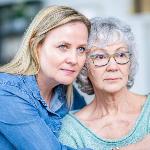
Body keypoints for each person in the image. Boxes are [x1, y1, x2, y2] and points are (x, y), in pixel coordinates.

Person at [0, 5, 92, 150]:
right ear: (36, 47)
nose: (74, 60)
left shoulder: (68, 94)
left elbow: (93, 132)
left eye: (81, 49)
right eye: (63, 46)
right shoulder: (6, 92)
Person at [59, 17, 150, 150]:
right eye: (100, 57)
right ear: (84, 67)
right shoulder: (71, 130)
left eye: (120, 55)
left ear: (130, 62)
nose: (113, 67)